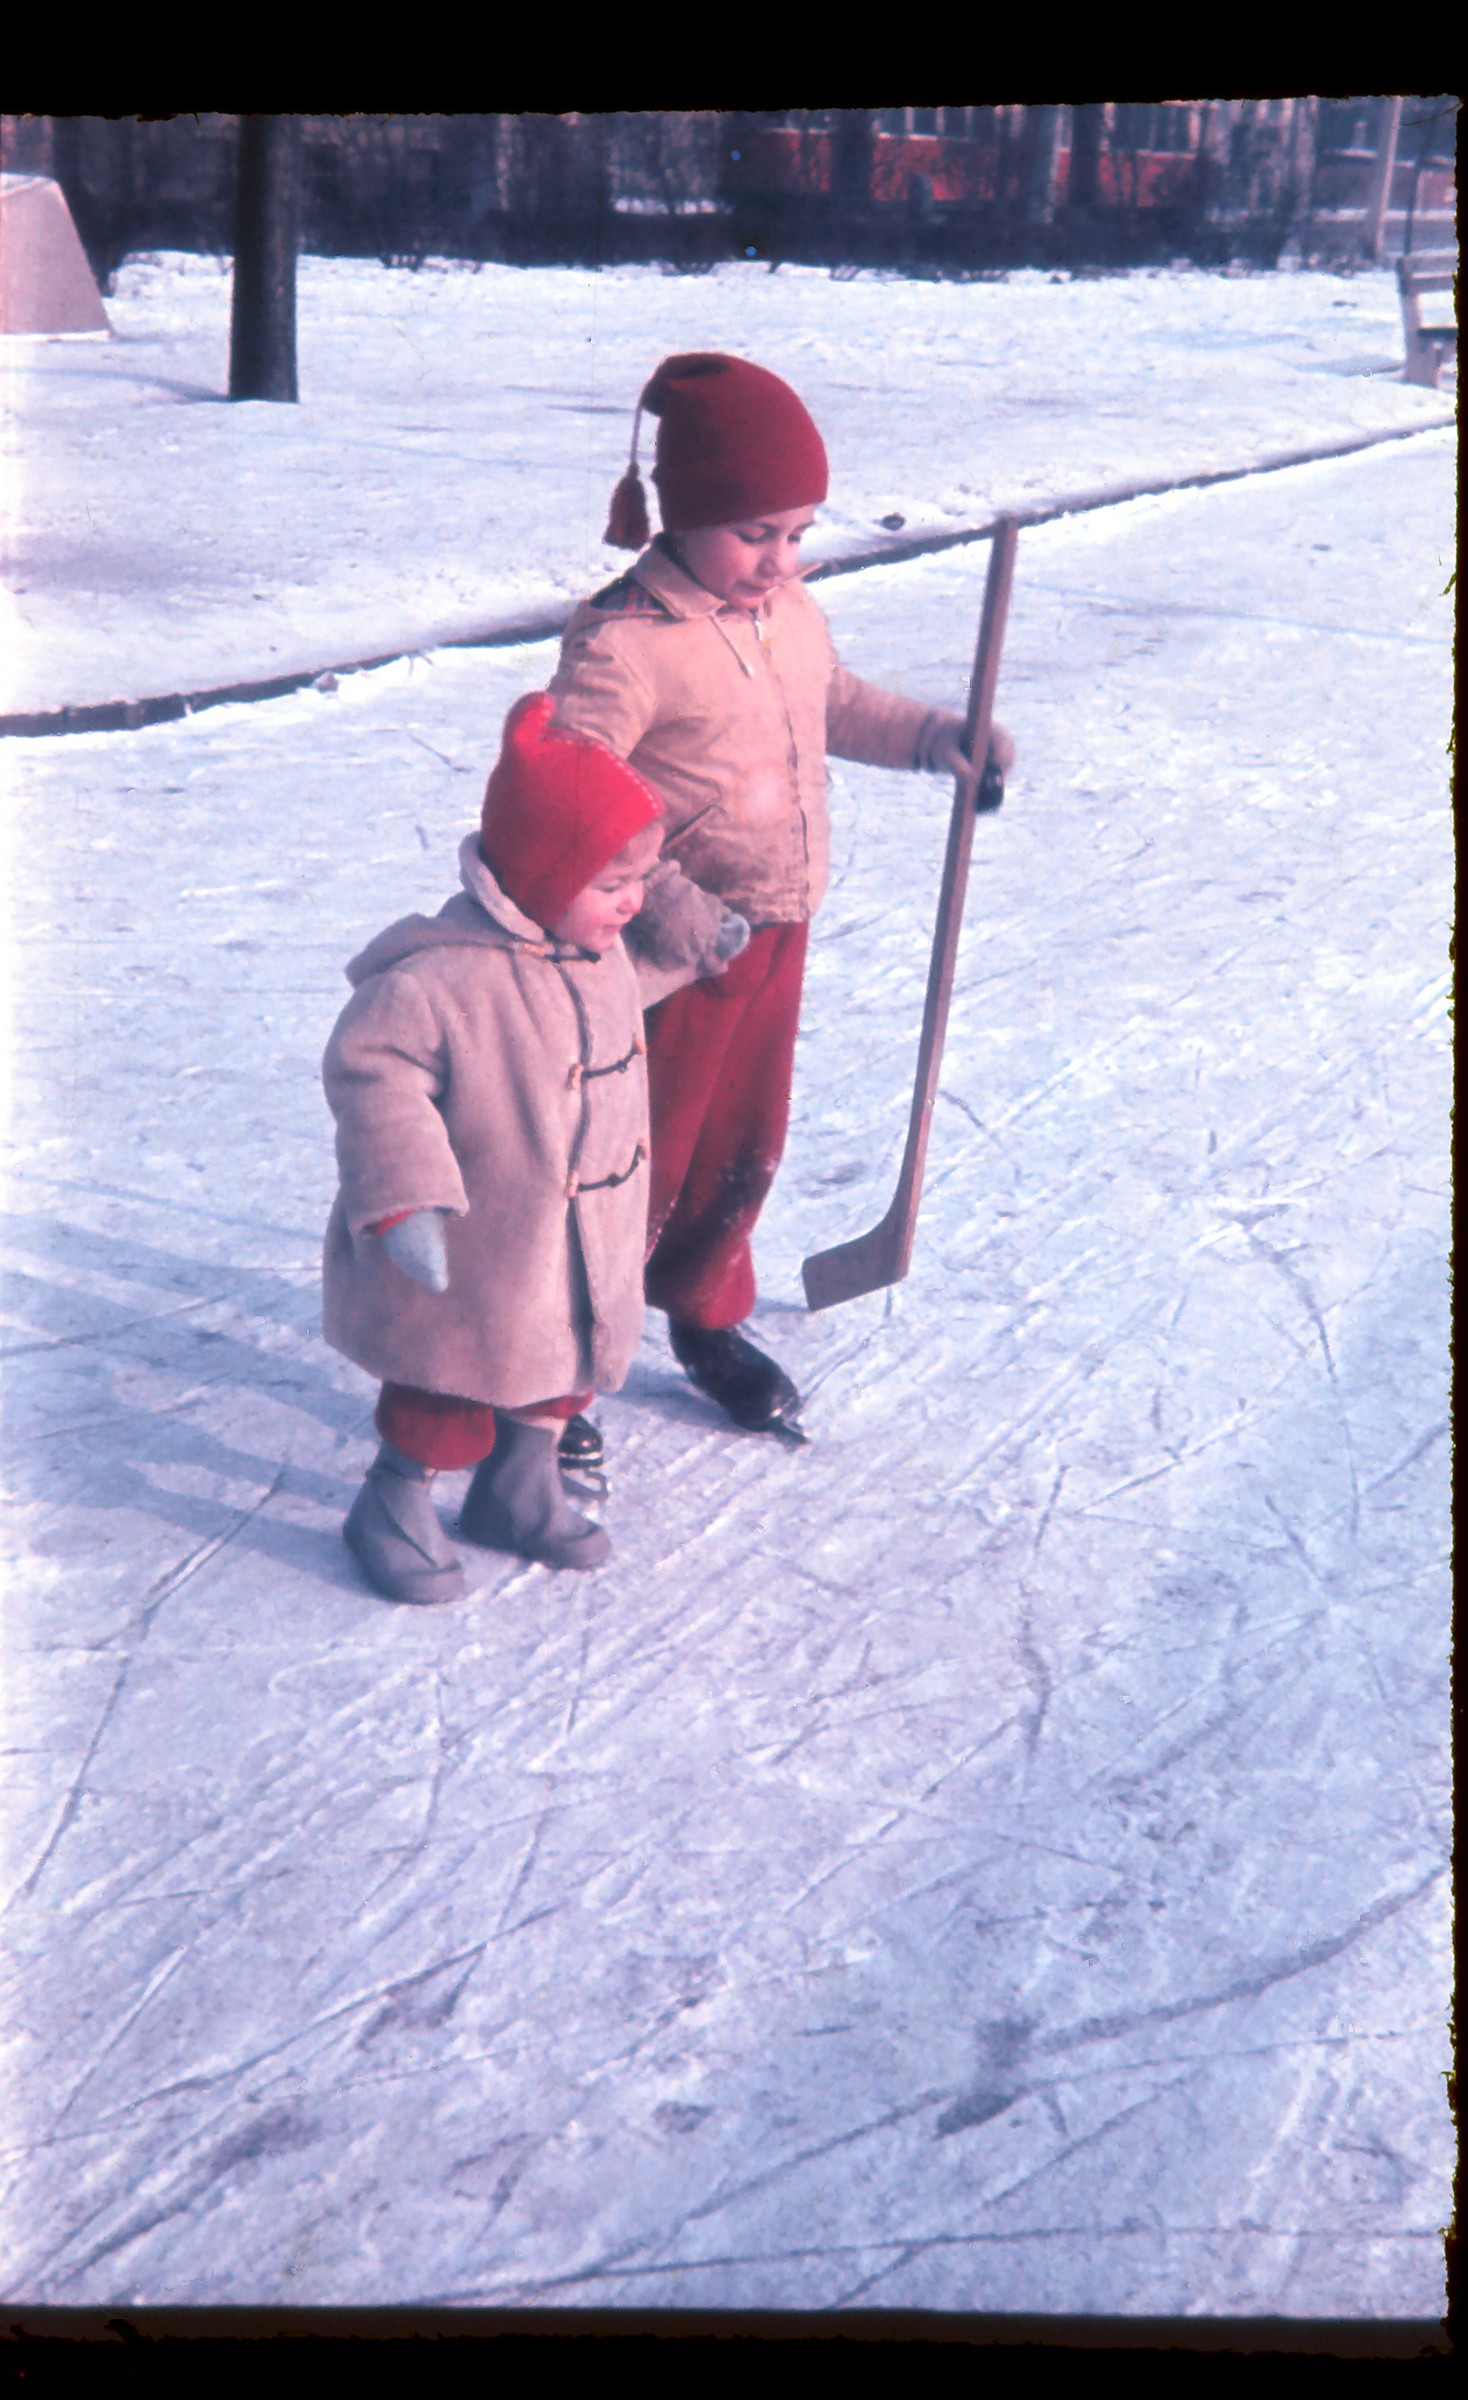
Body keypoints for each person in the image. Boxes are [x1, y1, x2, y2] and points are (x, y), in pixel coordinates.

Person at [547, 352, 1014, 1457]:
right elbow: (567, 798)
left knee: (739, 1143)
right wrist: (665, 906)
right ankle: (554, 1369)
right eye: (755, 532)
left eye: (798, 533)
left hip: (771, 931)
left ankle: (705, 1309)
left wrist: (935, 738)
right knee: (630, 1159)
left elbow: (830, 703)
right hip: (661, 957)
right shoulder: (625, 641)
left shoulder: (786, 614)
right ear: (684, 511)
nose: (780, 559)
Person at [322, 692, 749, 1604]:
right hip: (477, 1241)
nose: (633, 901)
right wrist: (404, 1199)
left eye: (638, 880)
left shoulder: (592, 952)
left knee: (563, 1364)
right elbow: (373, 1072)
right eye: (611, 883)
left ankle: (518, 1489)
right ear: (543, 877)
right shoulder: (441, 981)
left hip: (581, 1234)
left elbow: (624, 989)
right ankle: (393, 1502)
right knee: (447, 1380)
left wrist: (699, 947)